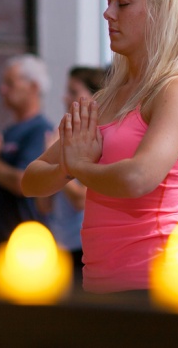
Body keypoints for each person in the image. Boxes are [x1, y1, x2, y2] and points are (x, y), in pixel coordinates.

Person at [23, 0, 178, 294]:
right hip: (100, 282)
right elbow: (31, 180)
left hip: (158, 282)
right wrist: (68, 167)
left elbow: (138, 177)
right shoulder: (107, 97)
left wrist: (77, 167)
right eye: (109, 2)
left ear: (161, 11)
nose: (108, 14)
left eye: (122, 3)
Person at [0, 54, 52, 265]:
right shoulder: (8, 132)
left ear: (33, 87)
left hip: (23, 247)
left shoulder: (40, 131)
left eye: (10, 83)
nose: (3, 90)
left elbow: (24, 182)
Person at [37, 65, 106, 286]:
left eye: (74, 92)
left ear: (95, 96)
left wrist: (62, 163)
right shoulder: (63, 136)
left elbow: (79, 199)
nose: (66, 98)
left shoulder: (97, 139)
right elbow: (44, 205)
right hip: (60, 244)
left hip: (83, 246)